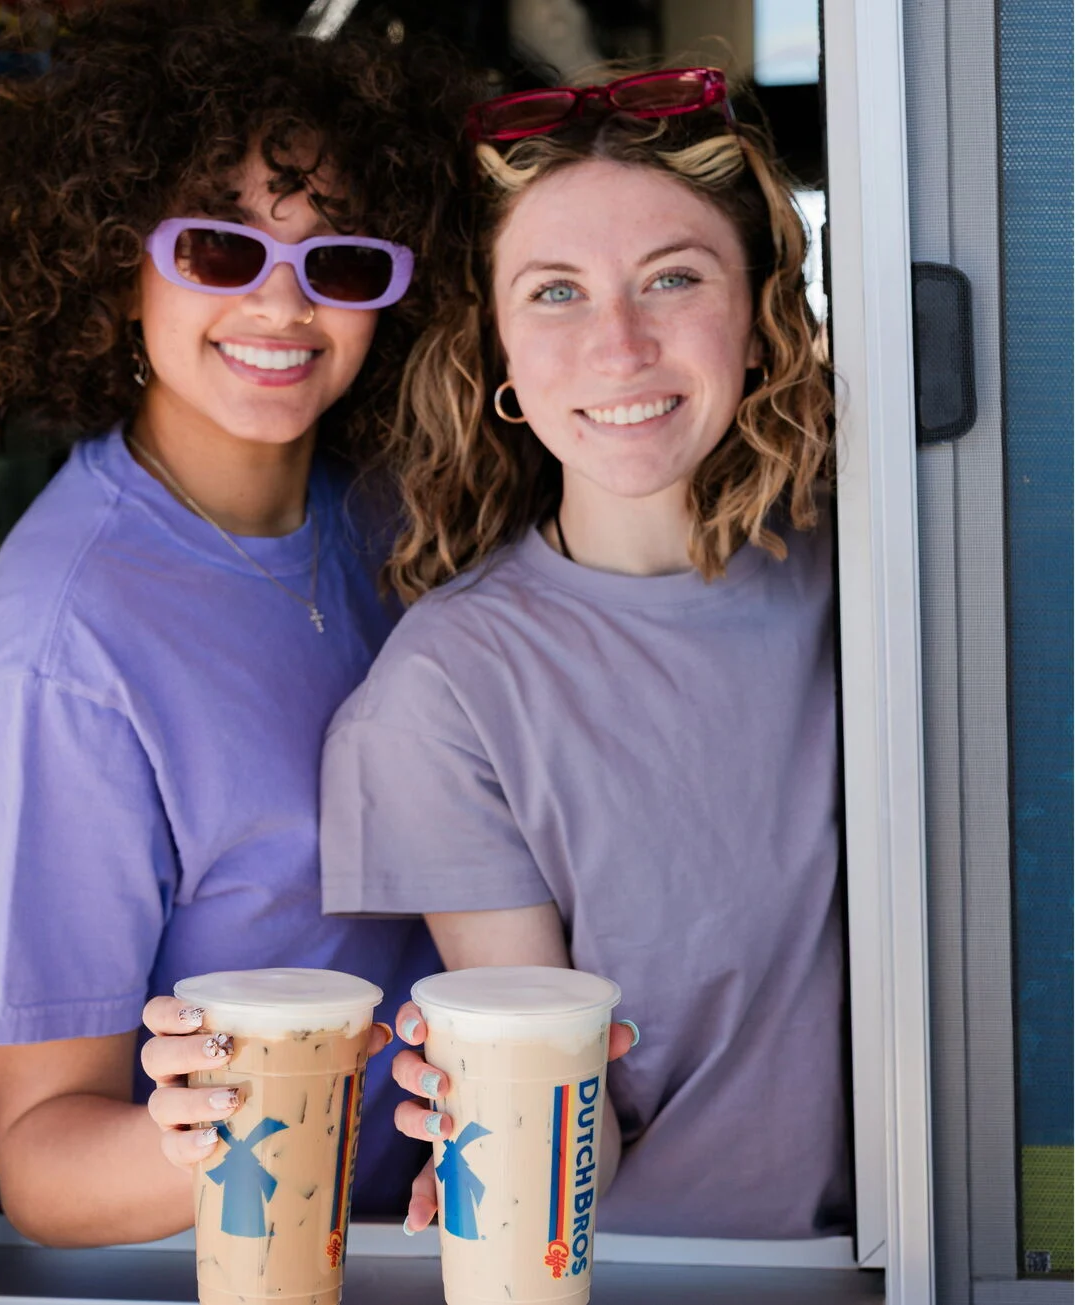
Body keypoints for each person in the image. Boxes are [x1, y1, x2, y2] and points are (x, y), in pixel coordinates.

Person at [0, 0, 475, 1248]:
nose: (284, 304)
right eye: (222, 252)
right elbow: (45, 1164)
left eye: (337, 261)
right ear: (118, 268)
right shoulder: (58, 661)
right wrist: (224, 1132)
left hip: (482, 1232)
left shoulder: (401, 511)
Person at [318, 67, 851, 1239]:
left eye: (673, 278)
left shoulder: (880, 585)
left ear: (761, 322)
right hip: (673, 1278)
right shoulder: (445, 691)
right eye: (555, 293)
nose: (619, 345)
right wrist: (504, 1160)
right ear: (499, 355)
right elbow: (561, 1121)